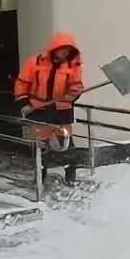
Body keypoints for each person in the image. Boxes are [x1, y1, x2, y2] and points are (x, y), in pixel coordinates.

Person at [13, 32, 84, 184]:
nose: (65, 54)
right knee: (40, 144)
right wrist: (23, 102)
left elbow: (76, 85)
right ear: (54, 48)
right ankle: (40, 173)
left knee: (65, 143)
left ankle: (70, 172)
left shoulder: (73, 66)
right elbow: (22, 84)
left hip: (62, 111)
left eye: (68, 52)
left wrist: (74, 93)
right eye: (63, 50)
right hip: (39, 110)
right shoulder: (34, 62)